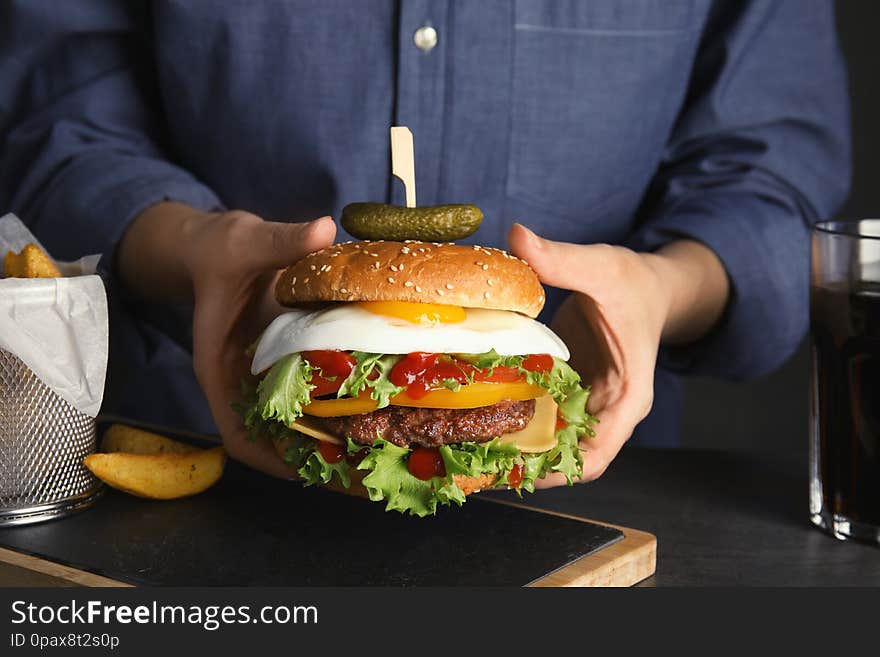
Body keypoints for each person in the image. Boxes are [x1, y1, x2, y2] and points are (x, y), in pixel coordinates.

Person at [0, 1, 850, 484]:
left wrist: (661, 288)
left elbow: (767, 179)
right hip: (199, 471)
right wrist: (194, 247)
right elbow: (58, 120)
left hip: (610, 502)